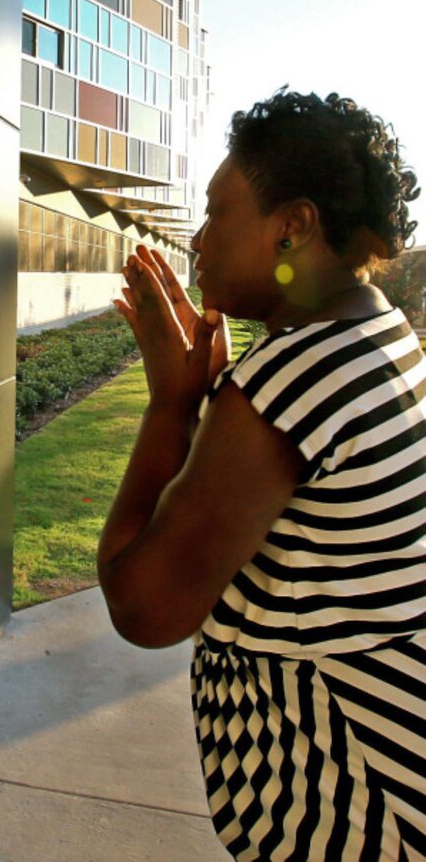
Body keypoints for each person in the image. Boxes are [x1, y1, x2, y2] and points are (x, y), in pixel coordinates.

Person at [98, 90, 426, 860]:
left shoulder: (293, 378)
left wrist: (170, 409)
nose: (199, 240)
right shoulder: (375, 328)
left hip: (352, 795)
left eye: (218, 213)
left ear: (293, 225)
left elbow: (143, 608)